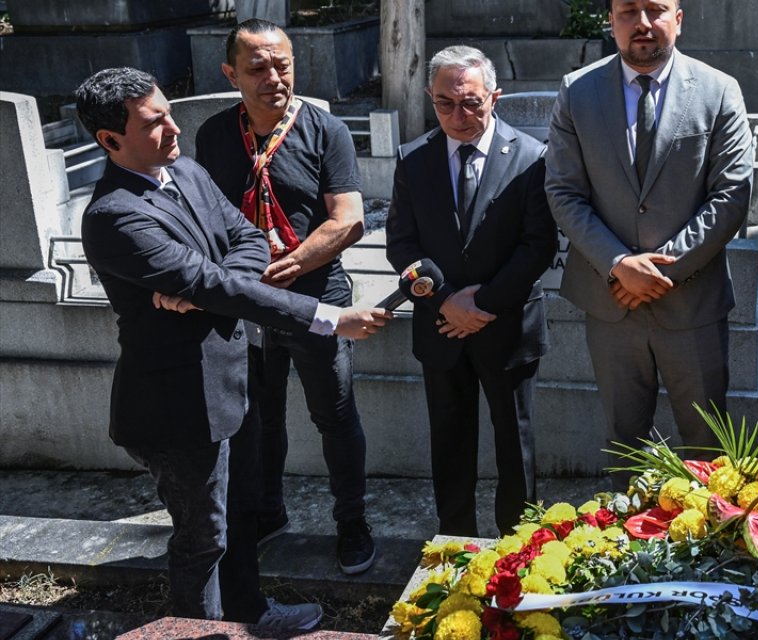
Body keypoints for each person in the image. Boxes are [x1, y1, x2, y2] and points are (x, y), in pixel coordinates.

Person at [74, 67, 388, 630]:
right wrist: (327, 318)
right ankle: (201, 629)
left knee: (243, 514)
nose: (173, 128)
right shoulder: (113, 216)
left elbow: (243, 238)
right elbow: (217, 285)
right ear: (110, 140)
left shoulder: (185, 171)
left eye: (168, 112)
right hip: (177, 405)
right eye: (154, 122)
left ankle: (250, 613)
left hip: (231, 381)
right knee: (203, 538)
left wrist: (204, 288)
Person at [545, 0, 754, 485]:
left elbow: (732, 194)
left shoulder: (719, 90)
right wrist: (618, 263)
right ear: (612, 20)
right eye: (627, 11)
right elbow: (563, 191)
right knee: (625, 451)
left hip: (692, 304)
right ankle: (628, 553)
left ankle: (708, 553)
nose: (641, 23)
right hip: (609, 301)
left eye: (655, 9)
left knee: (708, 457)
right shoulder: (577, 92)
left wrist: (659, 273)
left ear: (678, 19)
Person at [195, 19, 375, 575]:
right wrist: (243, 279)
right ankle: (267, 512)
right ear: (231, 73)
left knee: (335, 415)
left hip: (316, 295)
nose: (274, 77)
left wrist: (293, 264)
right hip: (247, 299)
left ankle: (352, 524)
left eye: (283, 65)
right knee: (259, 418)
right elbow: (209, 221)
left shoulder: (326, 130)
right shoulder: (214, 136)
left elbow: (349, 219)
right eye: (257, 68)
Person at [385, 45, 557, 537]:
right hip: (441, 327)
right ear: (429, 98)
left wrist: (480, 304)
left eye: (471, 102)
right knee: (450, 441)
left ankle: (520, 546)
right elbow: (402, 245)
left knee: (515, 443)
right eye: (445, 103)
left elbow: (537, 246)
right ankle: (454, 540)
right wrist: (446, 300)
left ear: (494, 97)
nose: (458, 116)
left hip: (507, 327)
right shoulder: (413, 159)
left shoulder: (530, 157)